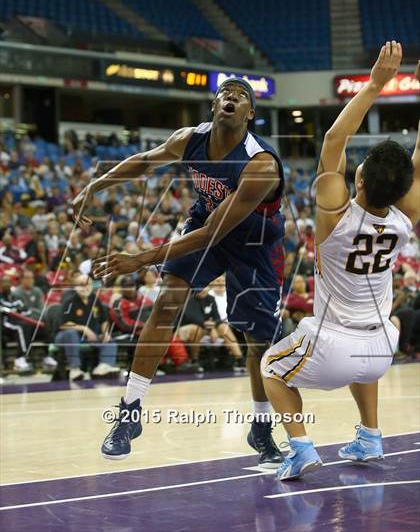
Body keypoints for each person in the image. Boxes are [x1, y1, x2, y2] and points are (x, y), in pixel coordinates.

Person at [73, 77, 286, 466]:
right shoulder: (190, 138)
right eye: (225, 93)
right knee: (167, 302)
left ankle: (261, 427)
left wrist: (140, 258)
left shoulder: (261, 164)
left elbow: (212, 234)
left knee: (258, 342)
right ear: (214, 106)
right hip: (206, 225)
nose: (232, 98)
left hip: (254, 243)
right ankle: (130, 412)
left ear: (250, 113)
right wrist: (95, 185)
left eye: (241, 96)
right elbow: (143, 162)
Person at [261, 44, 420, 479]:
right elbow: (418, 170)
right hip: (382, 346)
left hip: (332, 343)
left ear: (360, 179)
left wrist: (375, 85)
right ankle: (370, 436)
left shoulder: (336, 213)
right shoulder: (406, 219)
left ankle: (299, 447)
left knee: (271, 370)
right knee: (366, 350)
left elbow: (334, 140)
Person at [55, 274, 120, 381]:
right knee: (70, 333)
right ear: (75, 286)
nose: (85, 287)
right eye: (81, 284)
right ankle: (74, 369)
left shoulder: (95, 299)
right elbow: (63, 325)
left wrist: (105, 333)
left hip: (89, 337)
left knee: (110, 340)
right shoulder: (69, 301)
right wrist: (84, 329)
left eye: (88, 284)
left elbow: (104, 320)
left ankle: (103, 367)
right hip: (65, 337)